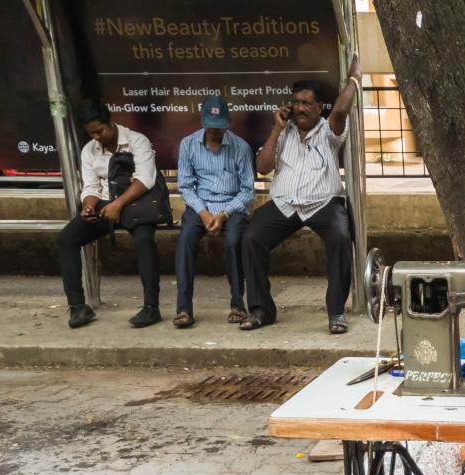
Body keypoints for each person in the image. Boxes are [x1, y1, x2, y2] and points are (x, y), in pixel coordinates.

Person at [240, 57, 361, 333]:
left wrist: (353, 80)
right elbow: (263, 167)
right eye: (296, 102)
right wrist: (276, 129)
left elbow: (341, 112)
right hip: (284, 204)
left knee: (341, 235)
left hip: (323, 203)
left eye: (307, 103)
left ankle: (336, 312)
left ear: (319, 107)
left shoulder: (330, 132)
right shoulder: (282, 132)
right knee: (251, 237)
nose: (301, 108)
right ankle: (261, 309)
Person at [58, 101, 163, 329]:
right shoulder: (89, 150)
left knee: (145, 240)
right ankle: (78, 307)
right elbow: (91, 188)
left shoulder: (137, 141)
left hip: (136, 201)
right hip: (105, 203)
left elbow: (145, 179)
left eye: (99, 130)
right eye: (91, 133)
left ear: (110, 123)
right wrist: (88, 206)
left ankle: (151, 307)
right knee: (67, 238)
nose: (96, 136)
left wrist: (119, 204)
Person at [174, 96, 255, 328]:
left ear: (228, 121)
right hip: (200, 206)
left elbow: (248, 191)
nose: (215, 131)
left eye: (219, 126)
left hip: (232, 206)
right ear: (202, 121)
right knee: (186, 239)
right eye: (210, 125)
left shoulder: (240, 147)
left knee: (233, 241)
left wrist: (224, 214)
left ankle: (238, 304)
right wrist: (204, 213)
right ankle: (183, 309)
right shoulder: (188, 144)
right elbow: (186, 186)